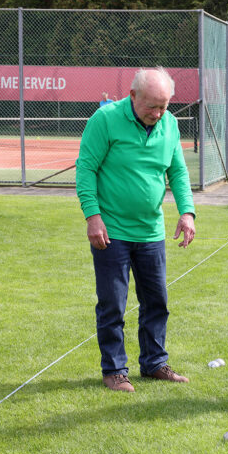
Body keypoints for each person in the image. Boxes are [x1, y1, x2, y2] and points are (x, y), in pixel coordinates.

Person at [76, 67, 196, 392]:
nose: (158, 113)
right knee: (113, 303)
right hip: (111, 230)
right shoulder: (105, 120)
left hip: (151, 231)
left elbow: (178, 172)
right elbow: (86, 168)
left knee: (157, 302)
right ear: (132, 96)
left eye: (164, 106)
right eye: (152, 106)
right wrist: (92, 216)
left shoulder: (169, 124)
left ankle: (154, 364)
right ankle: (114, 370)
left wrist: (187, 212)